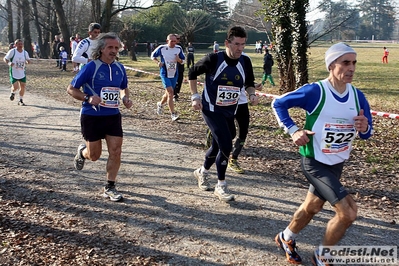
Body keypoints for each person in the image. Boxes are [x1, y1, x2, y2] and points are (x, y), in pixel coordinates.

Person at [272, 42, 373, 265]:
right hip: (314, 162)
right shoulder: (316, 91)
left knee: (312, 207)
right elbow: (278, 103)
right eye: (345, 62)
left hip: (337, 164)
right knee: (348, 213)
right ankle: (323, 256)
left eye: (354, 62)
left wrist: (364, 127)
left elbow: (368, 132)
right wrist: (293, 130)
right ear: (331, 65)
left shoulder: (358, 96)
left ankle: (285, 237)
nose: (351, 68)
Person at [189, 26, 258, 202]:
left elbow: (249, 82)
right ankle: (221, 185)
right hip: (211, 109)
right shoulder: (214, 59)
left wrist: (251, 94)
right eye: (236, 44)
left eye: (243, 44)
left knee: (222, 142)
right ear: (227, 43)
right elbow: (192, 72)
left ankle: (202, 172)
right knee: (226, 144)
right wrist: (195, 96)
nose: (240, 48)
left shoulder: (245, 61)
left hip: (230, 109)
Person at [66, 32, 133, 202]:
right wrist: (88, 98)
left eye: (116, 47)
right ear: (102, 48)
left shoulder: (119, 68)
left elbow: (124, 87)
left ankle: (110, 186)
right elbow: (71, 89)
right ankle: (82, 152)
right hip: (91, 116)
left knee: (116, 151)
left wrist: (125, 97)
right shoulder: (91, 67)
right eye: (110, 47)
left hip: (112, 116)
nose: (113, 50)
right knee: (94, 156)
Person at [151, 33, 185, 121]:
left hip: (174, 74)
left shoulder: (179, 48)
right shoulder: (162, 48)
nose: (174, 43)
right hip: (164, 73)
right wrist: (158, 62)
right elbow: (152, 56)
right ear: (167, 41)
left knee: (168, 93)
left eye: (175, 41)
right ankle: (173, 114)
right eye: (172, 41)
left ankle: (160, 104)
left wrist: (179, 60)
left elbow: (183, 61)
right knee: (170, 92)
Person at [4, 39, 31, 106]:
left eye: (21, 44)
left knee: (23, 86)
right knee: (15, 87)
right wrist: (9, 63)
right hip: (14, 72)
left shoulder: (25, 52)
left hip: (22, 72)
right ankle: (12, 92)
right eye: (19, 44)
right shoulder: (12, 52)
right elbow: (5, 59)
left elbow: (28, 60)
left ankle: (21, 100)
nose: (20, 45)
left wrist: (28, 62)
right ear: (15, 45)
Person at [173, 34, 185, 101]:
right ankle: (174, 94)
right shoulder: (170, 47)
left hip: (180, 66)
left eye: (179, 38)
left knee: (180, 80)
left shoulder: (180, 46)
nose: (178, 40)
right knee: (174, 80)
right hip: (173, 66)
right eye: (177, 38)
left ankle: (176, 92)